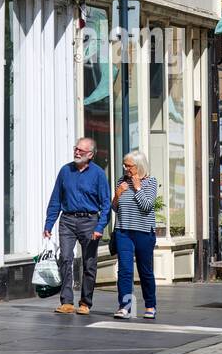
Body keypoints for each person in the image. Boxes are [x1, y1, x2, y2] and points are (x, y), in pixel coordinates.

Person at [44, 137, 112, 315]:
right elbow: (55, 199)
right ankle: (66, 301)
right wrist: (49, 224)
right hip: (67, 220)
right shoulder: (65, 171)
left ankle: (85, 302)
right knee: (65, 258)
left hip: (89, 221)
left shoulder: (98, 174)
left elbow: (106, 204)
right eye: (76, 148)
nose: (76, 152)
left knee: (89, 262)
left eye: (81, 150)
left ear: (90, 154)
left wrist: (100, 227)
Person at [112, 151, 158, 320]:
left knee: (145, 271)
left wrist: (138, 187)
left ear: (139, 166)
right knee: (125, 270)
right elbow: (115, 208)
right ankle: (125, 307)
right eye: (124, 165)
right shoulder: (121, 181)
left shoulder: (151, 182)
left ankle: (150, 305)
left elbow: (147, 206)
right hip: (123, 231)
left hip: (144, 233)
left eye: (128, 166)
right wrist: (118, 194)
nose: (125, 168)